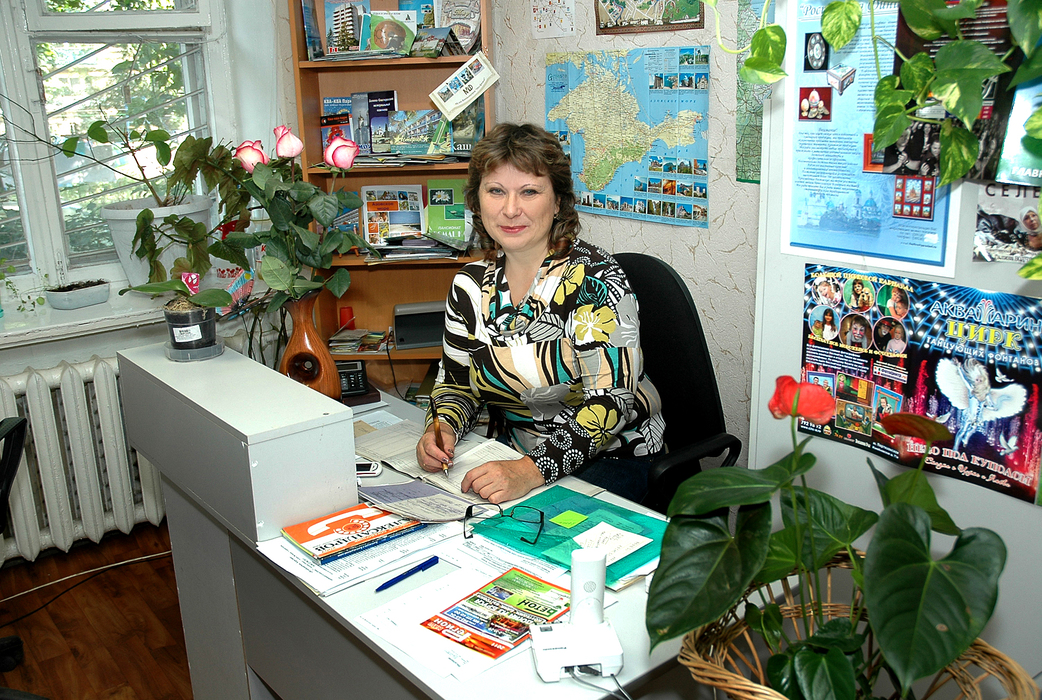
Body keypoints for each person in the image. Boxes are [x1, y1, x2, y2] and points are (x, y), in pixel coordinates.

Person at [415, 123, 665, 504]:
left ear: (558, 201)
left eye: (529, 192)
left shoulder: (595, 280)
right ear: (477, 200)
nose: (510, 209)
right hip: (513, 456)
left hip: (613, 459)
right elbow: (457, 384)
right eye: (496, 191)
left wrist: (530, 470)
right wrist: (443, 428)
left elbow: (611, 403)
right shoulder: (469, 286)